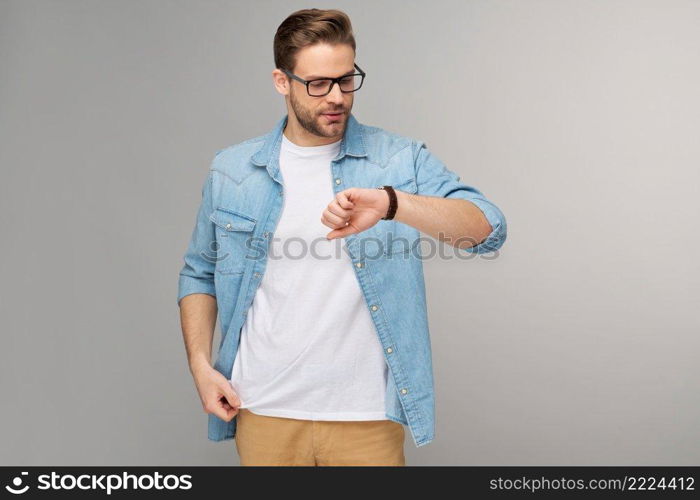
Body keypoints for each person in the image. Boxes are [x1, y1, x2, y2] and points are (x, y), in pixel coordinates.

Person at [177, 8, 507, 466]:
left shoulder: (398, 160)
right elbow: (200, 273)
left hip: (366, 416)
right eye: (318, 84)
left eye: (346, 79)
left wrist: (394, 203)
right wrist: (200, 366)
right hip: (262, 408)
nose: (336, 97)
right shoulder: (231, 171)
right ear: (281, 81)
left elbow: (487, 230)